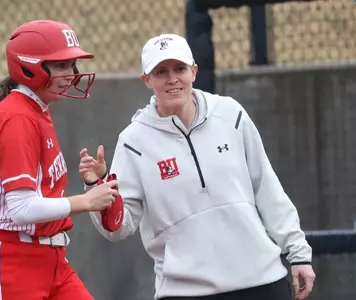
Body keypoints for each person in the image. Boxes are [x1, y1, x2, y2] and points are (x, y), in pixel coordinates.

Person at [80, 33, 316, 300]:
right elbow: (119, 227)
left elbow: (268, 190)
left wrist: (298, 254)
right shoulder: (133, 142)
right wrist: (96, 186)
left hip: (263, 282)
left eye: (180, 68)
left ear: (194, 71)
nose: (172, 79)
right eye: (160, 72)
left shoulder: (231, 114)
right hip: (185, 293)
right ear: (146, 80)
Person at [0, 20, 120, 300]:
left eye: (72, 65)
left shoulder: (36, 109)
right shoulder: (17, 117)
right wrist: (86, 202)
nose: (71, 74)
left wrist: (92, 182)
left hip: (51, 259)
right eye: (61, 65)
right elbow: (21, 208)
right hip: (14, 262)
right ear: (29, 66)